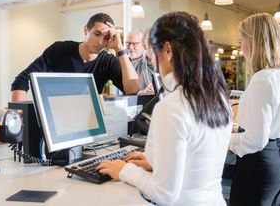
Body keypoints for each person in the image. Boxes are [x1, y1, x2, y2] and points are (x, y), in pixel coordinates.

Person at [96, 12, 232, 205]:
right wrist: (155, 162)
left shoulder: (172, 107)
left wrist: (124, 171)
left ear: (167, 50)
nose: (153, 61)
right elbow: (196, 156)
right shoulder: (218, 97)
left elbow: (164, 194)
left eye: (154, 52)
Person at [229, 13, 280, 206]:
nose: (241, 47)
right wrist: (237, 128)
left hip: (258, 166)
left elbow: (254, 141)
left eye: (241, 41)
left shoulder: (263, 79)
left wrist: (221, 138)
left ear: (254, 42)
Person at [10, 13, 139, 102]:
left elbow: (132, 89)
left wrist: (120, 49)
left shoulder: (108, 61)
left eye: (106, 37)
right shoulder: (60, 50)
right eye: (97, 34)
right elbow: (22, 80)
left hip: (88, 123)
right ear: (85, 30)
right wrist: (19, 116)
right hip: (54, 118)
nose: (100, 41)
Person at [126, 30, 155, 94]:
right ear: (144, 42)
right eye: (128, 43)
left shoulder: (170, 65)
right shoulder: (133, 66)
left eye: (134, 44)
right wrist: (143, 92)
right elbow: (129, 93)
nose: (130, 47)